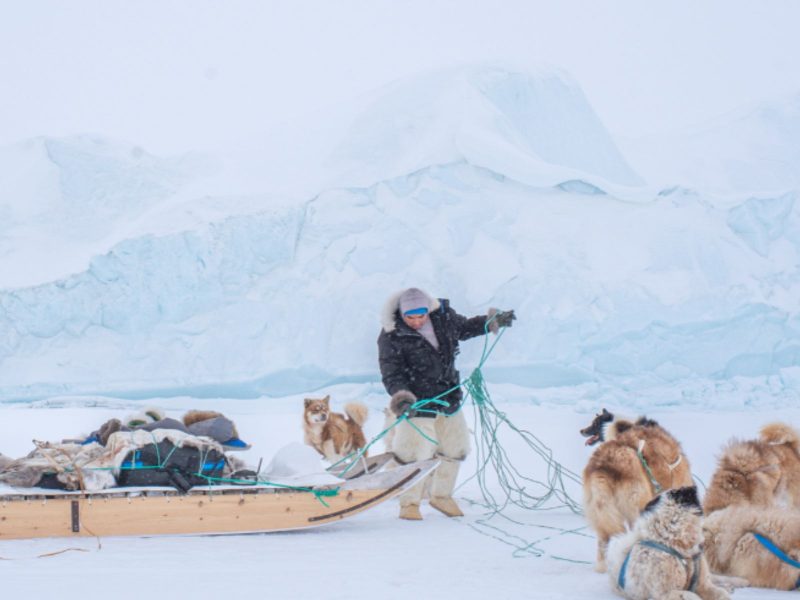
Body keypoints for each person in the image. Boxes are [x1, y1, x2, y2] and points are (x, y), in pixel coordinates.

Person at [377, 287, 515, 520]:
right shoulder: (391, 335)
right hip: (416, 402)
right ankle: (409, 503)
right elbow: (391, 373)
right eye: (410, 317)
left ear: (427, 311)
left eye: (421, 316)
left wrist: (492, 321)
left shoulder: (444, 318)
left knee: (455, 447)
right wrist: (401, 397)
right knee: (412, 452)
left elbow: (466, 327)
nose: (416, 321)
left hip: (447, 396)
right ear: (402, 314)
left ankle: (441, 497)